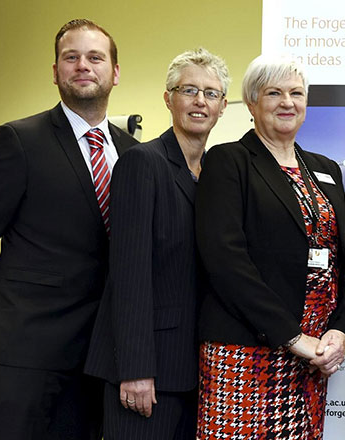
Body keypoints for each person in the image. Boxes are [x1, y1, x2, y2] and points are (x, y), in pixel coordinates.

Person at [0, 19, 137, 439]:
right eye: (71, 57)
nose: (83, 65)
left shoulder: (135, 155)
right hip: (22, 356)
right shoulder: (18, 140)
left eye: (95, 57)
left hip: (98, 361)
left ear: (115, 72)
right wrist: (4, 309)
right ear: (56, 70)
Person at [194, 54, 345, 439]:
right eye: (274, 93)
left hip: (313, 356)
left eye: (296, 93)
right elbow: (224, 259)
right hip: (249, 351)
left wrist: (341, 331)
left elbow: (344, 259)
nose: (288, 102)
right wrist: (291, 336)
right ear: (252, 104)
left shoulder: (326, 169)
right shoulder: (229, 161)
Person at [84, 48, 229, 439]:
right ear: (168, 98)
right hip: (145, 375)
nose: (200, 101)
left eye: (211, 93)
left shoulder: (217, 174)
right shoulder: (142, 163)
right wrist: (134, 370)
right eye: (189, 90)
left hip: (195, 371)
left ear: (223, 107)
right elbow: (128, 274)